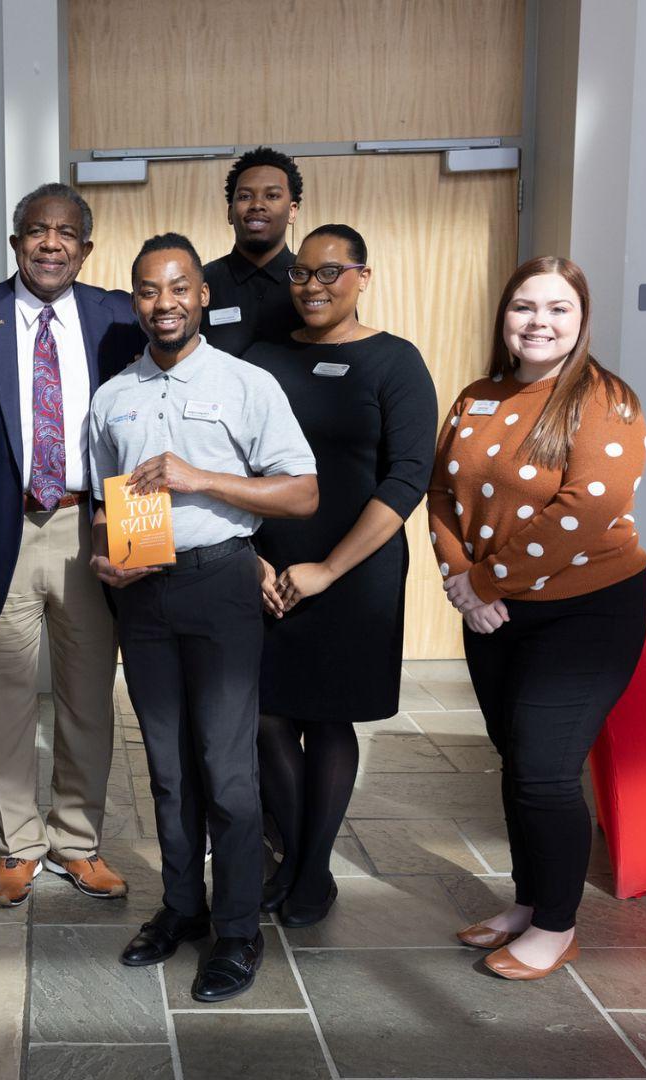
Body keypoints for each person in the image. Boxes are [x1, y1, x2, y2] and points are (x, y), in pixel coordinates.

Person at [90, 234, 317, 1003]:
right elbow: (103, 506)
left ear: (201, 296)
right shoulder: (112, 396)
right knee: (165, 768)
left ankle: (239, 929)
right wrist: (107, 559)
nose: (165, 303)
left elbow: (302, 491)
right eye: (150, 291)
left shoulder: (247, 384)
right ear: (135, 303)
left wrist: (199, 478)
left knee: (226, 767)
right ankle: (182, 908)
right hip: (143, 592)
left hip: (221, 582)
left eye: (179, 287)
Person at [427, 255, 646, 981]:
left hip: (584, 615)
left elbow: (586, 512)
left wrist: (485, 579)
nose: (539, 323)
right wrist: (461, 578)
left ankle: (557, 926)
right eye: (525, 307)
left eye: (558, 309)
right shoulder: (478, 396)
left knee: (548, 773)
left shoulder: (604, 400)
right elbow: (442, 493)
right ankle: (529, 903)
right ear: (504, 315)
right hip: (493, 612)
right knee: (518, 760)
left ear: (582, 319)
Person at [0, 183, 145, 908]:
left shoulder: (123, 316)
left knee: (90, 694)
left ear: (86, 248)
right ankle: (20, 845)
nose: (50, 243)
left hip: (91, 526)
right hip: (3, 529)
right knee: (5, 699)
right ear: (15, 242)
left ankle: (79, 844)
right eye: (37, 231)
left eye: (65, 233)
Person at [244, 225, 437, 926]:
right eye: (301, 273)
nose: (313, 286)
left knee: (327, 721)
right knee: (265, 718)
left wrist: (327, 568)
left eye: (329, 272)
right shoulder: (262, 359)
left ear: (363, 275)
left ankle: (313, 872)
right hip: (267, 566)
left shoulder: (395, 361)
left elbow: (409, 476)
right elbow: (236, 462)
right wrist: (253, 558)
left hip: (355, 571)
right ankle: (295, 858)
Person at [201, 148, 306, 356]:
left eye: (272, 195)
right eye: (245, 196)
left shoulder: (313, 284)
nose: (257, 205)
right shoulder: (199, 283)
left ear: (292, 211)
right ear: (230, 212)